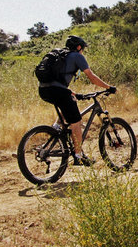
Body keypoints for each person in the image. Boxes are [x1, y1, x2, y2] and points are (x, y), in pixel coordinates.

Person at [38, 35, 115, 166]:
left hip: (44, 90)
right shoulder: (77, 56)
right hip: (57, 91)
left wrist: (73, 93)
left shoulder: (61, 55)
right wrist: (108, 87)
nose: (83, 51)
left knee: (67, 105)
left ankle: (55, 131)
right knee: (76, 121)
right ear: (78, 47)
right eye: (82, 48)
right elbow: (91, 77)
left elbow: (57, 82)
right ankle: (78, 156)